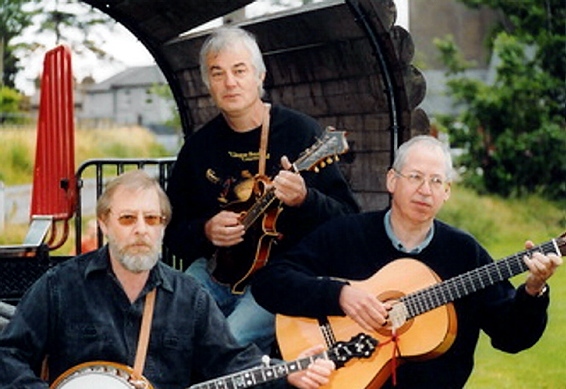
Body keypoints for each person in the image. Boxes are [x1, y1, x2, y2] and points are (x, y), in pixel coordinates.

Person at [252, 135, 563, 388]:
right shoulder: (346, 234)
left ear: (447, 192)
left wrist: (533, 291)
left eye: (436, 181)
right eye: (415, 177)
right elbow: (270, 283)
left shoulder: (464, 253)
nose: (424, 190)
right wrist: (339, 295)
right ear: (391, 180)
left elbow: (512, 338)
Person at [0, 170, 335, 389]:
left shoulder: (189, 296)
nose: (141, 230)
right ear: (104, 223)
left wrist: (288, 373)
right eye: (127, 218)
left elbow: (232, 361)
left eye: (152, 219)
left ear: (163, 226)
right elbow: (9, 354)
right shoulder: (61, 286)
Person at [164, 26, 359, 354]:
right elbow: (171, 232)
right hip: (215, 270)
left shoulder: (301, 133)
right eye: (218, 73)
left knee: (227, 343)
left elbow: (348, 221)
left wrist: (305, 199)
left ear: (260, 76)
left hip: (279, 279)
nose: (230, 82)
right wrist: (206, 231)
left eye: (239, 71)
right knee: (166, 329)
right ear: (207, 84)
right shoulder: (198, 148)